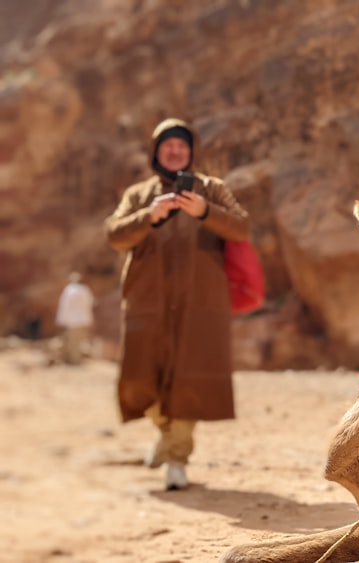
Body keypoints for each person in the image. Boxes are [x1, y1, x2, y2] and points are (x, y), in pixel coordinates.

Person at [104, 118, 249, 491]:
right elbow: (114, 235)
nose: (174, 151)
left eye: (181, 146)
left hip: (200, 305)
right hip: (145, 303)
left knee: (189, 381)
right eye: (167, 146)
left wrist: (204, 211)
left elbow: (242, 228)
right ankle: (167, 437)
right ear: (155, 151)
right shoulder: (139, 195)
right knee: (139, 380)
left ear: (191, 153)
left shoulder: (212, 189)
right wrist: (147, 216)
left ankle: (177, 459)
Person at [55, 272, 95, 365]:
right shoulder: (85, 290)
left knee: (73, 342)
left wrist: (61, 320)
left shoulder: (69, 290)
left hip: (72, 321)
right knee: (80, 341)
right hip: (83, 320)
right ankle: (77, 359)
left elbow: (64, 306)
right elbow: (90, 303)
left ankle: (75, 361)